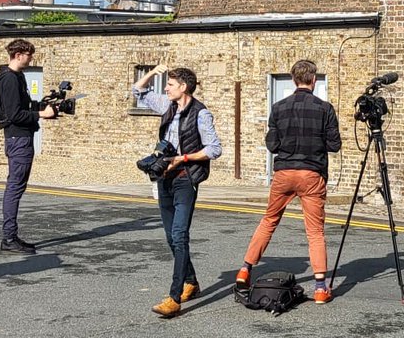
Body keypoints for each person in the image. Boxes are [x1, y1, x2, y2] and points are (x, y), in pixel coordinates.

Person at [235, 58, 341, 304]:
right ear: (313, 80)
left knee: (269, 221)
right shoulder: (325, 109)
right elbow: (334, 145)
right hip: (311, 173)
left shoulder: (278, 107)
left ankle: (245, 270)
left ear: (294, 80)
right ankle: (320, 288)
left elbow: (272, 145)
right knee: (315, 231)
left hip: (284, 173)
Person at [132, 64, 222, 318]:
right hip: (164, 177)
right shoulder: (167, 106)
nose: (166, 88)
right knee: (171, 238)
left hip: (185, 178)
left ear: (183, 87)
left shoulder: (201, 114)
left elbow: (214, 149)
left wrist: (183, 158)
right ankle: (191, 282)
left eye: (170, 84)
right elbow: (137, 91)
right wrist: (153, 73)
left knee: (180, 235)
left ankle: (174, 298)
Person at [0, 39, 56, 255]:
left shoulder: (16, 76)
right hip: (18, 139)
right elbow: (14, 114)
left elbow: (22, 107)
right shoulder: (9, 79)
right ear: (18, 54)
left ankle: (11, 237)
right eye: (29, 55)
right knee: (15, 187)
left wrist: (43, 106)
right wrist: (41, 114)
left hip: (21, 138)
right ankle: (9, 238)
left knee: (17, 186)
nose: (31, 59)